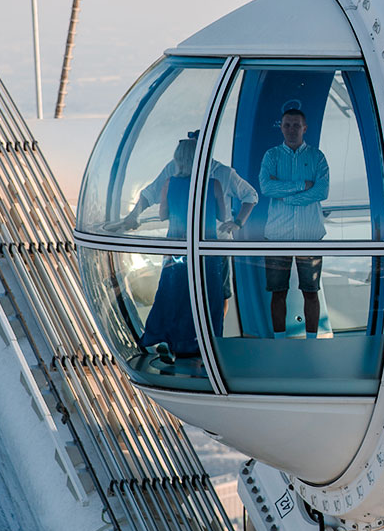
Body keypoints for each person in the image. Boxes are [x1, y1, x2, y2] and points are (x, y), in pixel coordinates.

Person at [115, 131, 257, 356]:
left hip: (189, 245)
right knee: (212, 295)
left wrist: (238, 222)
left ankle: (180, 339)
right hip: (211, 247)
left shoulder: (217, 174)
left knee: (181, 291)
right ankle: (209, 341)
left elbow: (158, 206)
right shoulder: (211, 181)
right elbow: (224, 212)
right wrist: (231, 221)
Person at [259, 100, 330, 338]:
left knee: (311, 292)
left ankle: (312, 341)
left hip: (310, 236)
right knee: (278, 292)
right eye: (287, 125)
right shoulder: (271, 156)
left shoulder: (317, 157)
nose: (291, 129)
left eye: (296, 125)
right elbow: (266, 188)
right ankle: (279, 342)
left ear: (304, 128)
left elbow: (322, 191)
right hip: (277, 236)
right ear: (281, 127)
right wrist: (302, 185)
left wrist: (287, 197)